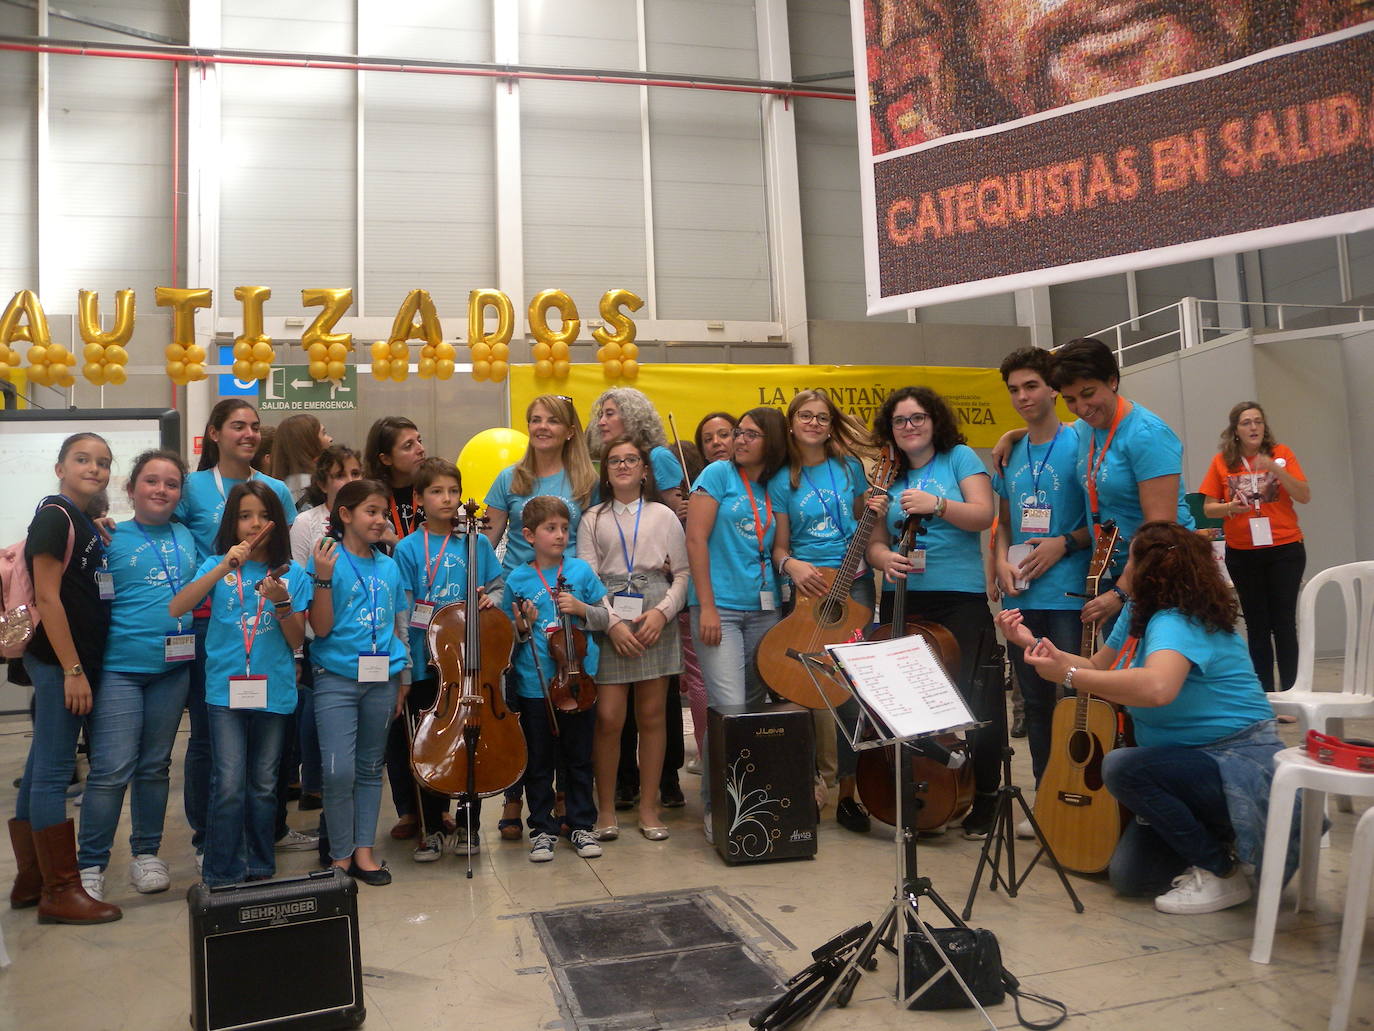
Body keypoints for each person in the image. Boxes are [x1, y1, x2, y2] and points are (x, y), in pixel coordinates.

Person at [998, 521, 1299, 914]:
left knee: (1122, 767)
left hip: (1233, 761)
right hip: (1182, 767)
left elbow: (1158, 688)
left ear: (1149, 568)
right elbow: (1097, 666)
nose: (1123, 570)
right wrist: (1037, 646)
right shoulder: (1141, 611)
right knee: (1131, 877)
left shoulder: (1178, 619)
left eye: (1131, 560)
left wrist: (1068, 676)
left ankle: (1222, 871)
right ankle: (1221, 839)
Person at [865, 386, 1000, 839]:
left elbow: (984, 515)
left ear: (934, 421)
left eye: (918, 417)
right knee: (911, 701)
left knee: (973, 698)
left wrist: (937, 505)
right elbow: (876, 541)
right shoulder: (889, 472)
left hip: (958, 597)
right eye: (900, 420)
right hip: (904, 597)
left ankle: (986, 797)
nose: (909, 426)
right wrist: (882, 558)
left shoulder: (958, 458)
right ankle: (927, 794)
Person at [170, 483, 309, 888]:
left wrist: (282, 602)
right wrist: (222, 568)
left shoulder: (291, 572)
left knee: (264, 784)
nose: (255, 524)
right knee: (228, 782)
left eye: (264, 516)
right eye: (245, 516)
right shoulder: (217, 563)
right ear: (232, 523)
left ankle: (261, 866)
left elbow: (297, 640)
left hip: (275, 689)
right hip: (224, 691)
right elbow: (178, 607)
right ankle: (222, 870)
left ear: (276, 523)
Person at [177, 400, 298, 865]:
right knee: (209, 739)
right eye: (237, 426)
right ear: (214, 433)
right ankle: (209, 838)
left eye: (254, 427)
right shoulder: (191, 488)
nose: (248, 434)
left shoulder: (274, 490)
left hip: (265, 625)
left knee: (268, 745)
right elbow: (167, 530)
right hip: (215, 625)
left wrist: (285, 600)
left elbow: (287, 557)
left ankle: (267, 834)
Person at [76, 450, 197, 903]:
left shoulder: (187, 536)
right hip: (121, 671)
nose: (161, 490)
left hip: (173, 670)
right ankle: (90, 864)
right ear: (131, 489)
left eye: (170, 484)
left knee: (154, 767)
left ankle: (147, 854)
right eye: (151, 481)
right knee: (110, 770)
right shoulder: (108, 536)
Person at [10, 433, 121, 924]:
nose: (93, 468)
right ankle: (60, 890)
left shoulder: (77, 520)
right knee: (55, 772)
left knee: (40, 768)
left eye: (102, 462)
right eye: (82, 459)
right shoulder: (54, 517)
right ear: (59, 467)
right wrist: (73, 670)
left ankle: (31, 879)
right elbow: (49, 599)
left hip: (65, 661)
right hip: (59, 662)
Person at [768, 390, 881, 834]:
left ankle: (851, 794)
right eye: (805, 416)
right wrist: (791, 564)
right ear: (792, 423)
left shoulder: (850, 468)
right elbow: (779, 546)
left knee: (853, 690)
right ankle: (813, 784)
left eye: (821, 417)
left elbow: (864, 524)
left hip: (854, 583)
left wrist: (877, 511)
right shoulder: (782, 479)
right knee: (806, 688)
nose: (814, 423)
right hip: (809, 589)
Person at [484, 395, 596, 839]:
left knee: (569, 699)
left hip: (567, 599)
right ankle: (516, 797)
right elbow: (486, 541)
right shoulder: (508, 478)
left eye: (552, 420)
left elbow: (592, 537)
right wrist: (492, 592)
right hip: (521, 599)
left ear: (570, 430)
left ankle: (567, 797)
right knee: (521, 705)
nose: (542, 426)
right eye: (535, 419)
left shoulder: (586, 479)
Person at [578, 439, 689, 842]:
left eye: (631, 460)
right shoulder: (592, 518)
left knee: (653, 715)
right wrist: (612, 624)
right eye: (614, 461)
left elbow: (683, 574)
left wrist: (663, 612)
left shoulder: (664, 516)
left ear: (645, 470)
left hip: (655, 614)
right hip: (610, 616)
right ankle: (605, 808)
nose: (623, 466)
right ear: (604, 471)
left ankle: (649, 806)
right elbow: (586, 579)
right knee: (608, 717)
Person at [990, 349, 1090, 794]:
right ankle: (1048, 796)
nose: (1022, 396)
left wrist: (1064, 542)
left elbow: (1103, 522)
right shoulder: (1010, 453)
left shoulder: (1081, 442)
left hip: (1068, 596)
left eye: (1031, 386)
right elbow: (1006, 522)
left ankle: (1079, 794)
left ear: (1053, 388)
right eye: (1014, 390)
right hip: (1022, 595)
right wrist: (996, 561)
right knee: (1032, 702)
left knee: (1073, 696)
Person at [686, 406, 788, 840]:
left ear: (772, 441)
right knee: (728, 709)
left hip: (765, 609)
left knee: (751, 707)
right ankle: (718, 807)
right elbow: (695, 539)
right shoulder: (716, 476)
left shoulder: (777, 484)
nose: (738, 440)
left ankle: (750, 801)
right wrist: (706, 606)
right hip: (720, 610)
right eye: (737, 433)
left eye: (749, 434)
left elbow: (779, 546)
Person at [394, 458, 502, 861]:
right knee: (432, 740)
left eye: (453, 491)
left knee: (472, 738)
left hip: (470, 661)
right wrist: (406, 661)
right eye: (437, 492)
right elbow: (404, 608)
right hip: (427, 660)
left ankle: (470, 822)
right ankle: (434, 824)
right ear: (420, 499)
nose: (447, 499)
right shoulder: (407, 548)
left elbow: (497, 585)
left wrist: (495, 598)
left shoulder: (476, 541)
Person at [307, 479, 411, 885]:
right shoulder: (324, 559)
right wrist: (321, 578)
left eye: (383, 512)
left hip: (382, 679)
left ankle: (364, 853)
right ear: (345, 515)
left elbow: (397, 628)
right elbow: (320, 627)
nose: (379, 519)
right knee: (337, 771)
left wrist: (403, 676)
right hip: (335, 677)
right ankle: (340, 856)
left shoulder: (388, 565)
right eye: (370, 511)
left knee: (370, 767)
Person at [507, 496, 612, 863]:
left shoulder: (581, 572)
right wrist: (522, 625)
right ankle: (541, 828)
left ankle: (582, 823)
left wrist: (582, 609)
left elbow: (605, 617)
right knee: (539, 761)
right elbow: (511, 635)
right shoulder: (518, 579)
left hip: (579, 682)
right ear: (529, 535)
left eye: (564, 528)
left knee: (579, 757)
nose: (560, 535)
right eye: (551, 528)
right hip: (535, 686)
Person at [1199, 402, 1310, 692]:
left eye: (1258, 422)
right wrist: (1229, 507)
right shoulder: (1222, 462)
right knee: (1257, 626)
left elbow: (1304, 494)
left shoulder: (1282, 455)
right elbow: (1209, 508)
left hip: (1284, 548)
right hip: (1243, 552)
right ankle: (1265, 695)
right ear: (1235, 430)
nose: (1253, 427)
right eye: (1246, 422)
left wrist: (1274, 468)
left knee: (1284, 623)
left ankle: (1291, 690)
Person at [288, 444, 363, 816]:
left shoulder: (369, 520)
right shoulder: (307, 524)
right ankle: (314, 783)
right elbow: (297, 584)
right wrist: (300, 650)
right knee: (317, 712)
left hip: (360, 638)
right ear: (323, 482)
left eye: (354, 473)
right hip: (320, 636)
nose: (349, 481)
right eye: (340, 475)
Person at [363, 416, 427, 544]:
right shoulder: (368, 499)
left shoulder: (434, 489)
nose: (421, 449)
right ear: (386, 459)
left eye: (419, 441)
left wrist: (396, 543)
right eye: (408, 446)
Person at [271, 414, 332, 510]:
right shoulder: (321, 488)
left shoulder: (275, 488)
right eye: (323, 433)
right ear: (309, 443)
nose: (330, 439)